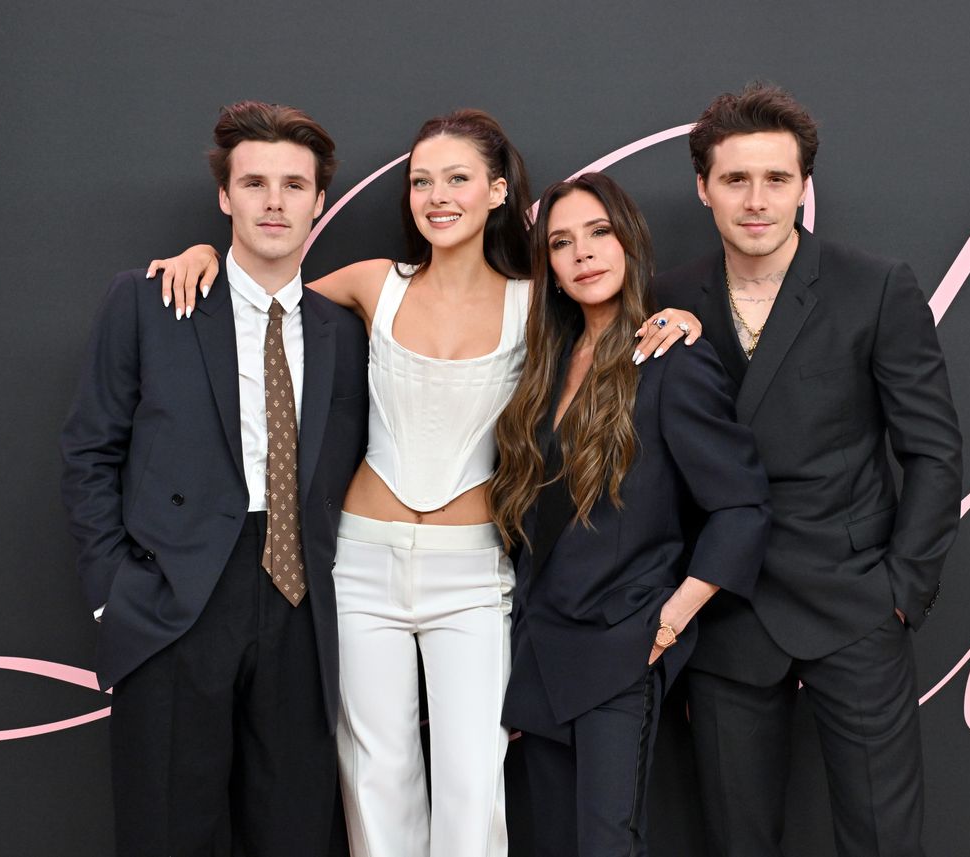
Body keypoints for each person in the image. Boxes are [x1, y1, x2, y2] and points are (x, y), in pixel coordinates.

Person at [147, 110, 704, 857]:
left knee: (475, 780)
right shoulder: (377, 283)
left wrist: (677, 313)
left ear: (498, 190)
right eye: (421, 181)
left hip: (474, 572)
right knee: (376, 778)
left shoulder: (534, 298)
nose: (437, 195)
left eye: (458, 178)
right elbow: (268, 286)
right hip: (363, 565)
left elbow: (611, 303)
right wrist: (202, 256)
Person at [652, 83, 963, 857]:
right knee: (738, 842)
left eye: (777, 179)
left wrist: (901, 590)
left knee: (883, 840)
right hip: (728, 611)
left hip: (853, 600)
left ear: (803, 186)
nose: (756, 200)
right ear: (703, 186)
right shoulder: (665, 297)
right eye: (735, 179)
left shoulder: (875, 285)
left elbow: (932, 449)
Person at [61, 100, 368, 855]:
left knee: (294, 829)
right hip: (178, 596)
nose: (274, 201)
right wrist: (113, 595)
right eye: (255, 182)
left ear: (320, 200)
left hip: (303, 599)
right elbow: (89, 450)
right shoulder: (149, 301)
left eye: (294, 185)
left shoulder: (344, 331)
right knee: (169, 829)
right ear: (225, 197)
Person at [488, 172, 770, 857]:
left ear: (629, 242)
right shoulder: (545, 366)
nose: (582, 253)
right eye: (561, 242)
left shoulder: (673, 356)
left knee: (607, 845)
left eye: (599, 233)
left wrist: (671, 619)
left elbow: (742, 506)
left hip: (622, 645)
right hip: (544, 650)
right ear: (548, 268)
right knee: (552, 842)